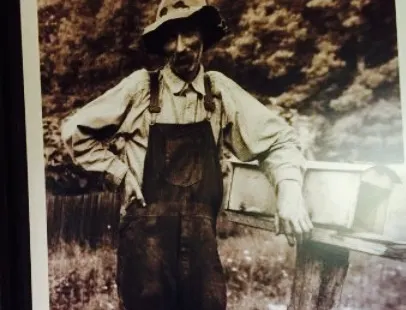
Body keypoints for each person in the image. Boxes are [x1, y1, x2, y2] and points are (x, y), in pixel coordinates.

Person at [61, 0, 313, 309]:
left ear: (204, 35)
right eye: (170, 36)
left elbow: (279, 141)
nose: (181, 47)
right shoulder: (141, 88)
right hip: (145, 248)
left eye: (189, 32)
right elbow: (75, 132)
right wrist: (119, 173)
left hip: (200, 247)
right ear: (161, 44)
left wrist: (288, 190)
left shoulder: (218, 92)